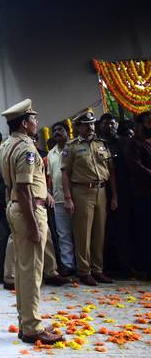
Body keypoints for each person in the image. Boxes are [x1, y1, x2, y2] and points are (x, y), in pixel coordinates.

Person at [0, 98, 62, 345]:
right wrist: (34, 226)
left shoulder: (7, 145)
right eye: (34, 119)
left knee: (24, 270)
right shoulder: (26, 148)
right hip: (29, 211)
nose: (37, 123)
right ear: (25, 123)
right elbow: (23, 189)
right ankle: (33, 327)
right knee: (32, 272)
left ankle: (26, 324)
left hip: (17, 208)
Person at [62, 109, 118, 286]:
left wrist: (114, 195)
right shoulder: (71, 147)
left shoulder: (102, 144)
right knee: (83, 232)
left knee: (99, 232)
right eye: (86, 125)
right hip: (81, 191)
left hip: (101, 191)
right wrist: (68, 197)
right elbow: (65, 174)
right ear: (78, 127)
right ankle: (84, 271)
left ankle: (97, 269)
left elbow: (111, 172)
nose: (90, 128)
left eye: (92, 124)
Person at [100, 113, 135, 278]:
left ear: (116, 125)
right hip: (101, 192)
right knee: (105, 231)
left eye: (112, 124)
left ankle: (125, 267)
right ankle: (107, 267)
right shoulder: (98, 144)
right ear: (100, 126)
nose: (109, 126)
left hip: (125, 192)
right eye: (105, 124)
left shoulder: (125, 142)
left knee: (124, 230)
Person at [46, 121, 75, 276]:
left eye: (60, 130)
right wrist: (49, 193)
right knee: (63, 234)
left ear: (68, 131)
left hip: (77, 197)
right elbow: (50, 176)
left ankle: (85, 266)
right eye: (55, 130)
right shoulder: (51, 153)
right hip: (58, 199)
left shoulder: (74, 148)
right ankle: (68, 265)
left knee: (80, 233)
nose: (57, 132)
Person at [126, 111, 151, 274]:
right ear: (141, 125)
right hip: (144, 195)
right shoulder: (133, 143)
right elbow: (136, 167)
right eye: (149, 122)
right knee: (147, 232)